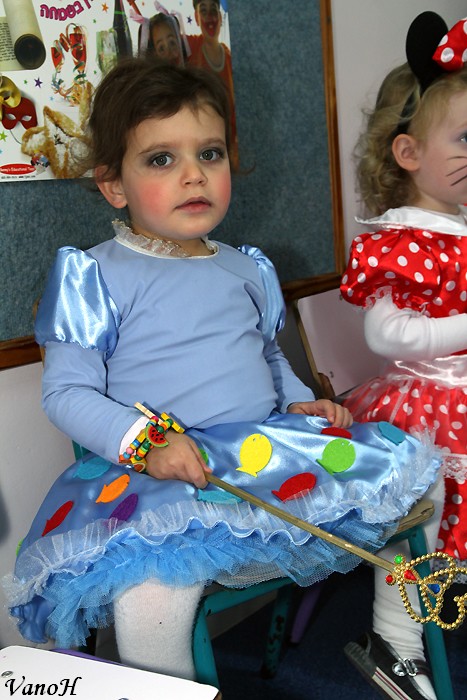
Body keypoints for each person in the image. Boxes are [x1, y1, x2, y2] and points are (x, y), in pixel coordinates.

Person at [4, 57, 438, 684]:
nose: (194, 175)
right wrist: (147, 444)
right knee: (152, 590)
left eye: (209, 153)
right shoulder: (93, 273)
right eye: (161, 159)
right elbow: (67, 392)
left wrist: (296, 401)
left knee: (410, 483)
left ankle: (395, 645)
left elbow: (265, 355)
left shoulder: (245, 267)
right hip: (162, 471)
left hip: (265, 453)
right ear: (113, 185)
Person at [340, 11, 467, 700]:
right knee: (421, 513)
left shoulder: (459, 231)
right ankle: (396, 640)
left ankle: (439, 611)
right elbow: (386, 335)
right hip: (425, 400)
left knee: (449, 522)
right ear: (409, 153)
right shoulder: (407, 240)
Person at [186, 0, 237, 163]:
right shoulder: (190, 47)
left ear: (220, 18)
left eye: (213, 10)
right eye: (203, 10)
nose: (209, 16)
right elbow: (164, 38)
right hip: (199, 147)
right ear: (196, 17)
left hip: (229, 146)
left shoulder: (230, 59)